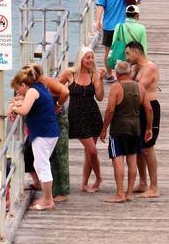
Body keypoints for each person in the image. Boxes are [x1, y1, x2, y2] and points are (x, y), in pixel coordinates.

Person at [98, 60, 153, 204]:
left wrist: (104, 129)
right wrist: (148, 128)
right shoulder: (139, 87)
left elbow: (110, 110)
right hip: (135, 128)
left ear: (116, 73)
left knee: (118, 160)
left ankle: (119, 194)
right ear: (129, 72)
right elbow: (148, 109)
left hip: (119, 129)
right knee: (132, 160)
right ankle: (129, 193)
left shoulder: (116, 87)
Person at [8, 67, 60, 211]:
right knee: (40, 164)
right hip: (49, 131)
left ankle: (48, 200)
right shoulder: (40, 88)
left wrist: (13, 108)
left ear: (24, 85)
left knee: (42, 166)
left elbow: (24, 110)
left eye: (18, 89)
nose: (18, 93)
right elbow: (27, 104)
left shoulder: (31, 91)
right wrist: (16, 104)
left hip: (43, 133)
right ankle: (46, 197)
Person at [58, 47, 104, 193]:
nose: (90, 60)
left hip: (93, 114)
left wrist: (101, 80)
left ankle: (84, 184)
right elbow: (55, 87)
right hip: (77, 116)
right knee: (92, 150)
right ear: (81, 59)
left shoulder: (94, 75)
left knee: (89, 153)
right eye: (87, 57)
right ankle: (99, 177)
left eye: (92, 57)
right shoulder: (69, 74)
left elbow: (100, 97)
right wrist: (56, 104)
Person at [95, 0, 140, 81]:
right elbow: (138, 0)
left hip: (109, 25)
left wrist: (98, 20)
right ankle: (127, 73)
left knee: (108, 51)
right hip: (126, 25)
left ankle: (109, 75)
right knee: (127, 50)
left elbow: (100, 5)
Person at [125, 41, 160, 198]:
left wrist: (124, 80)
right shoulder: (134, 67)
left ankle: (154, 187)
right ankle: (143, 182)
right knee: (138, 148)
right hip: (136, 109)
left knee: (147, 148)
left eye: (127, 54)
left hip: (149, 108)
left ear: (136, 52)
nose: (126, 57)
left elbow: (138, 88)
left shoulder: (150, 67)